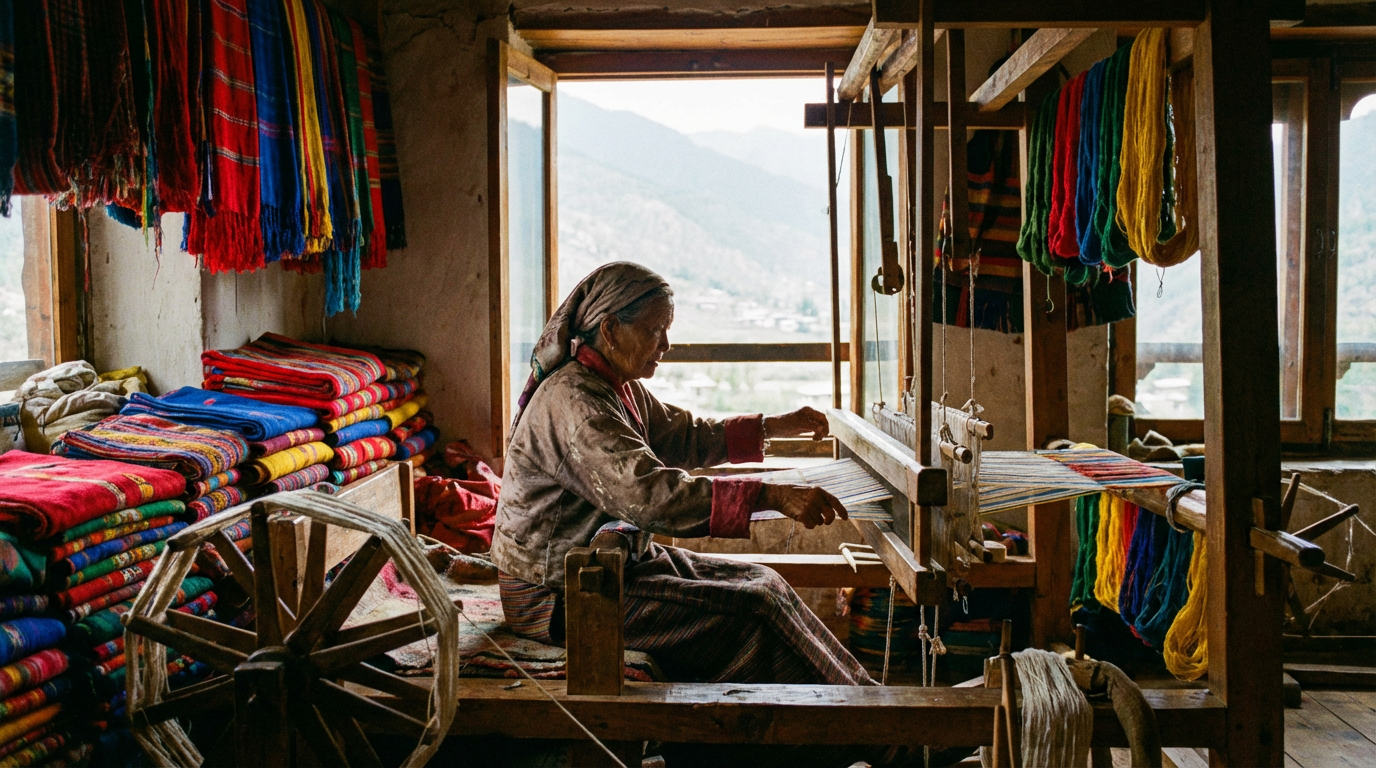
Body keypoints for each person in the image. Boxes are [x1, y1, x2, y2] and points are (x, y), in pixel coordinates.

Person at [492, 261, 874, 686]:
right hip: (554, 593)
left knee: (766, 583)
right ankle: (855, 732)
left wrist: (774, 426)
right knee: (752, 612)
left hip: (607, 562)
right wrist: (771, 496)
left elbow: (685, 436)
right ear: (611, 329)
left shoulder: (616, 386)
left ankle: (869, 703)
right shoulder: (576, 403)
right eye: (656, 330)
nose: (667, 344)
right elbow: (652, 495)